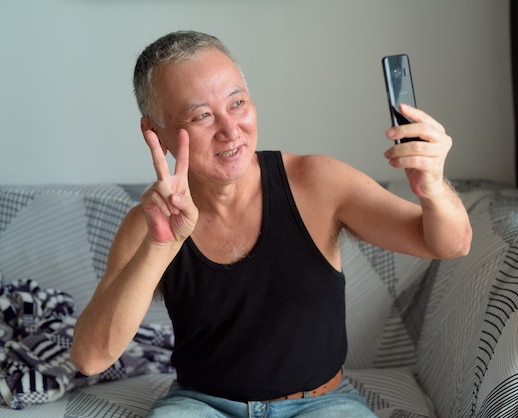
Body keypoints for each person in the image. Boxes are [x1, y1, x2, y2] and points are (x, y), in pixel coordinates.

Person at [70, 30, 472, 417]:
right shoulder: (148, 224)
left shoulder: (317, 182)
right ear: (155, 132)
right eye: (202, 116)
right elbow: (90, 358)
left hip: (323, 403)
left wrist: (434, 187)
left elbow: (451, 244)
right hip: (201, 404)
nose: (230, 130)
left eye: (238, 103)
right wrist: (160, 246)